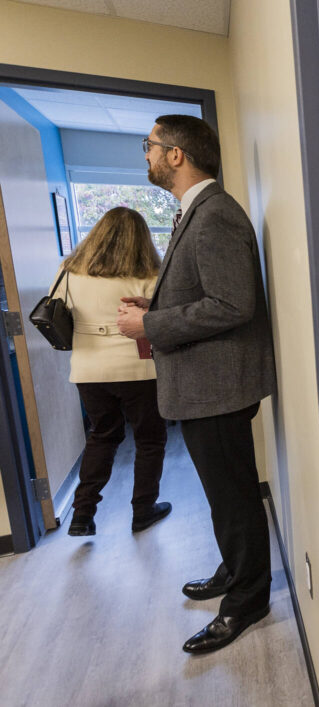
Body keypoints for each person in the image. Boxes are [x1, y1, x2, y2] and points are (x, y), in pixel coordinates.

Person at [117, 115, 277, 654]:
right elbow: (205, 292)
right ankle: (235, 570)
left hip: (217, 388)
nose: (146, 155)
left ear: (176, 154)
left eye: (150, 146)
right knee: (223, 497)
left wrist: (151, 324)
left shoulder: (215, 214)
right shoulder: (198, 211)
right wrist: (155, 306)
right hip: (206, 386)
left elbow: (232, 304)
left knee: (234, 498)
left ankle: (249, 600)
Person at [60, 207, 170, 537]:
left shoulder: (69, 272)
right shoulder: (150, 272)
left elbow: (57, 307)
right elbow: (163, 317)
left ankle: (82, 514)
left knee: (102, 434)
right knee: (149, 439)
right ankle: (143, 510)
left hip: (89, 369)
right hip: (139, 369)